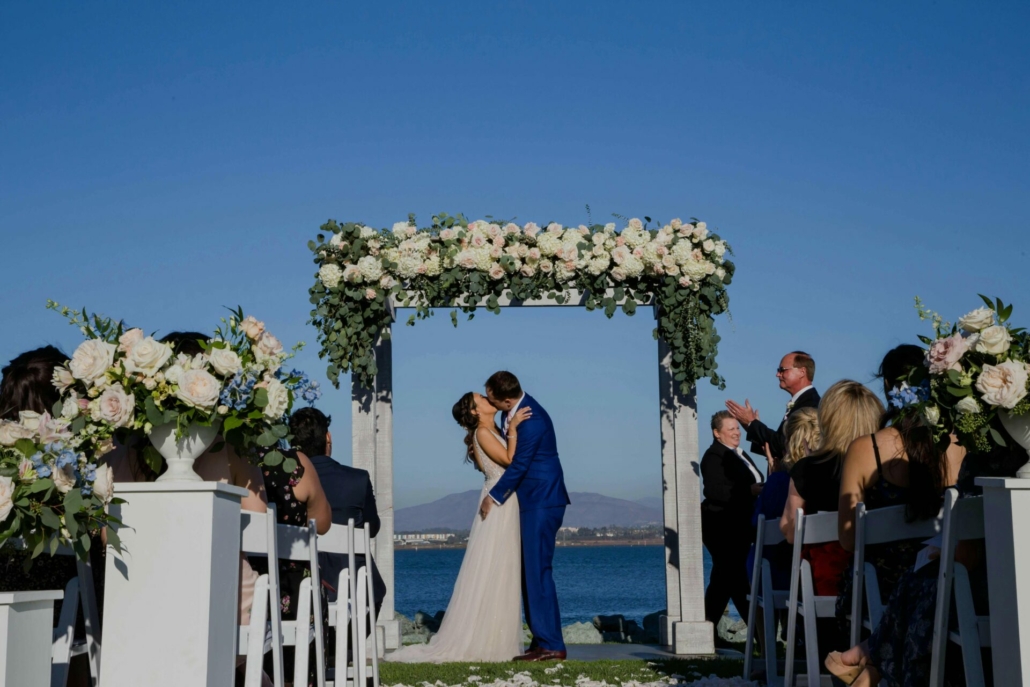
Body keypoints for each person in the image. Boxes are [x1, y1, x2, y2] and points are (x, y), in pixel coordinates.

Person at [388, 390, 531, 663]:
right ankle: (488, 642)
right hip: (499, 503)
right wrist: (513, 428)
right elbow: (511, 462)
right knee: (495, 568)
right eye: (481, 399)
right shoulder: (484, 434)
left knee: (499, 570)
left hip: (502, 501)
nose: (488, 399)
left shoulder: (489, 431)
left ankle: (494, 636)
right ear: (476, 412)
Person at [779, 380, 884, 660]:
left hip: (825, 590)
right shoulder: (889, 471)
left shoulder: (807, 470)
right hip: (885, 585)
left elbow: (790, 531)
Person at [481, 371, 571, 662]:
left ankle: (552, 645)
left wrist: (493, 497)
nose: (488, 402)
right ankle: (542, 639)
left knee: (538, 571)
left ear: (507, 399)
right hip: (533, 501)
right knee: (531, 572)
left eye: (491, 399)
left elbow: (519, 466)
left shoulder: (532, 419)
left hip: (542, 501)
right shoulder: (515, 413)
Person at [289, 407, 385, 610]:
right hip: (358, 591)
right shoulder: (358, 479)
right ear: (328, 437)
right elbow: (372, 528)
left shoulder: (288, 484)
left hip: (302, 594)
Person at [700, 411, 764, 635]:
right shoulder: (713, 457)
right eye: (731, 429)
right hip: (721, 526)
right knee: (734, 577)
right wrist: (749, 491)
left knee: (724, 578)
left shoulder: (740, 453)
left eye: (737, 428)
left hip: (740, 526)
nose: (737, 432)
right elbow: (714, 491)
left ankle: (705, 630)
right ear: (717, 433)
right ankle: (759, 634)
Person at [746, 406, 821, 591]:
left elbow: (757, 524)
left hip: (781, 575)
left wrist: (773, 479)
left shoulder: (780, 482)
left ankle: (760, 620)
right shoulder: (830, 477)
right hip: (822, 570)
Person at [726, 351, 821, 462]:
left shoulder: (810, 405)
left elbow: (786, 444)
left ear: (802, 372)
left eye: (782, 370)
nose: (778, 375)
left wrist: (753, 424)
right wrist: (750, 426)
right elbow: (777, 447)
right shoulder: (803, 401)